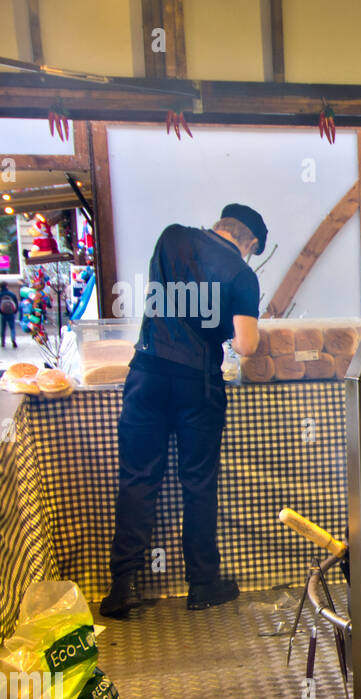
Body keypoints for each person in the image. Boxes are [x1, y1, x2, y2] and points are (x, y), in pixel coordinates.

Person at [100, 204, 267, 618]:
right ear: (249, 242)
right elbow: (246, 346)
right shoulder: (243, 274)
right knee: (197, 483)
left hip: (148, 373)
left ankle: (123, 586)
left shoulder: (171, 236)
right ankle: (204, 584)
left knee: (138, 477)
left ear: (221, 224)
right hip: (198, 384)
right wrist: (233, 322)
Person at [0, 281, 19, 348]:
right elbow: (16, 303)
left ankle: (3, 342)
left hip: (3, 314)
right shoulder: (12, 294)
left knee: (3, 328)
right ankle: (13, 340)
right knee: (12, 328)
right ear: (7, 286)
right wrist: (14, 312)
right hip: (11, 313)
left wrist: (1, 312)